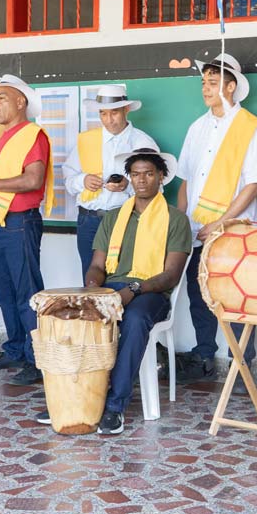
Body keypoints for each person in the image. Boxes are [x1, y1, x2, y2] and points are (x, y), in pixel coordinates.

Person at [175, 53, 257, 381]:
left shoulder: (249, 127)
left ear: (231, 87)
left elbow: (254, 183)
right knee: (199, 293)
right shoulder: (197, 127)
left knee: (237, 297)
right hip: (197, 229)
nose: (206, 88)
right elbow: (186, 179)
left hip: (233, 232)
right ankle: (204, 356)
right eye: (204, 82)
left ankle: (241, 365)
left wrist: (221, 223)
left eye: (213, 83)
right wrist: (186, 220)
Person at [82, 148, 191, 434]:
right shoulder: (114, 217)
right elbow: (97, 265)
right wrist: (94, 289)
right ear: (129, 178)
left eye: (149, 173)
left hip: (152, 292)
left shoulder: (175, 219)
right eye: (136, 174)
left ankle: (115, 406)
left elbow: (171, 275)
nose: (142, 180)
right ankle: (79, 398)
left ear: (161, 177)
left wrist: (134, 289)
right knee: (78, 315)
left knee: (134, 319)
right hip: (113, 287)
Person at [0, 74, 54, 386]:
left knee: (27, 293)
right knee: (5, 294)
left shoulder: (33, 135)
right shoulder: (4, 139)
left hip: (19, 224)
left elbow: (33, 180)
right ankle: (15, 348)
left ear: (21, 102)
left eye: (1, 98)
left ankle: (36, 359)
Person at [62, 85, 156, 276]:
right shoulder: (86, 141)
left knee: (122, 278)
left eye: (114, 113)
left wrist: (128, 186)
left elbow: (157, 189)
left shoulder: (142, 143)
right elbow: (68, 178)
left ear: (126, 110)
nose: (108, 120)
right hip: (88, 220)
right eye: (103, 114)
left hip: (126, 218)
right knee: (90, 280)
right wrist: (83, 180)